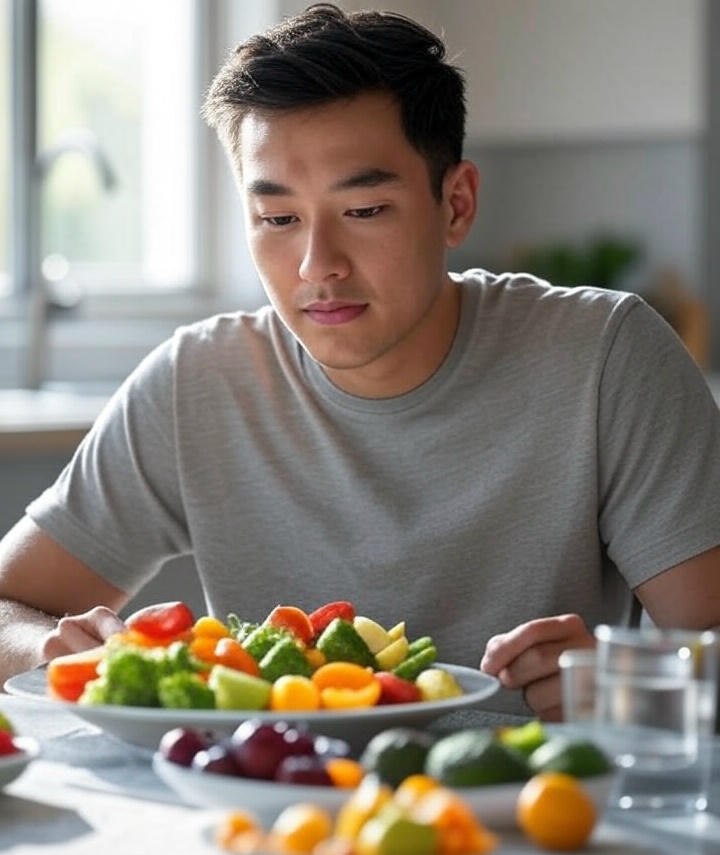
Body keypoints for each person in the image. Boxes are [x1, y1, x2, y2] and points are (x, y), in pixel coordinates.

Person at [1, 4, 719, 718]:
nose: (317, 266)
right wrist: (49, 654)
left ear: (457, 203)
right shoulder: (198, 381)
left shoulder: (606, 358)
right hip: (277, 811)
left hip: (538, 807)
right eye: (278, 219)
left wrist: (625, 680)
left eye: (365, 210)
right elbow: (8, 606)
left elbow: (707, 645)